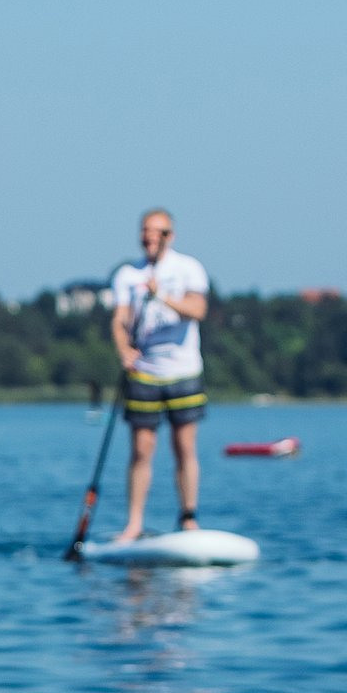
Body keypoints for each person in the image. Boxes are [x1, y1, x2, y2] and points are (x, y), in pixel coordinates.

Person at [109, 208, 211, 541]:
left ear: (170, 236)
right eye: (145, 231)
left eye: (158, 232)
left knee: (184, 445)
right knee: (141, 448)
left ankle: (188, 517)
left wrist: (162, 296)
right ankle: (134, 523)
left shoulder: (188, 269)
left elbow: (198, 310)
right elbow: (120, 318)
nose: (150, 238)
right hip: (144, 373)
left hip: (182, 370)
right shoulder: (127, 274)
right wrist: (124, 349)